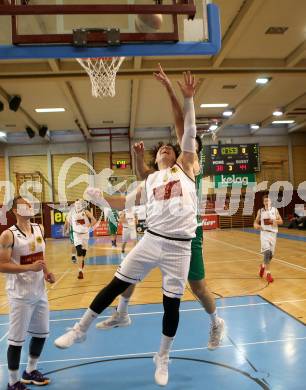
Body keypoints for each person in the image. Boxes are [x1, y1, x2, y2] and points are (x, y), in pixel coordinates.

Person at [54, 71, 198, 387]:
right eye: (162, 151)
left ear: (177, 156)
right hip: (153, 239)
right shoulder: (150, 181)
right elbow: (122, 204)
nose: (167, 151)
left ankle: (162, 356)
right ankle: (80, 330)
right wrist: (98, 196)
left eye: (170, 150)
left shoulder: (186, 168)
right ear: (155, 158)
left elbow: (186, 130)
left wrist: (184, 97)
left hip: (180, 246)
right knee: (116, 283)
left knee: (171, 305)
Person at [97, 64, 225, 351]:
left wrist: (171, 90)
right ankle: (122, 311)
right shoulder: (167, 170)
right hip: (159, 231)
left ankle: (216, 321)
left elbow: (182, 124)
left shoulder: (191, 163)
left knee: (198, 288)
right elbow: (144, 174)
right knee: (132, 270)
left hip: (188, 235)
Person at [0, 196, 55, 390]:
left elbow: (41, 257)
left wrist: (46, 272)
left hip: (39, 291)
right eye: (24, 204)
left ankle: (30, 371)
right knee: (16, 340)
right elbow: (1, 265)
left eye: (30, 204)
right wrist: (29, 268)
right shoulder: (8, 235)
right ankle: (13, 381)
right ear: (15, 210)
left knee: (41, 334)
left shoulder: (40, 228)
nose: (29, 206)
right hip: (19, 296)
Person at [254, 194, 283, 283]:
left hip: (273, 234)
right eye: (265, 201)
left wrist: (275, 221)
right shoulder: (260, 211)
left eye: (268, 201)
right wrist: (257, 226)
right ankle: (268, 273)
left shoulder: (275, 210)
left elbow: (281, 221)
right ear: (263, 202)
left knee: (271, 255)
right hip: (264, 234)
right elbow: (255, 223)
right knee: (267, 253)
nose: (267, 202)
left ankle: (263, 266)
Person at [66, 199, 96, 279]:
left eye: (79, 203)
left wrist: (89, 226)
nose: (78, 205)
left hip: (85, 235)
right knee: (79, 252)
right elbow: (67, 221)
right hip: (76, 234)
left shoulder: (86, 212)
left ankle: (81, 268)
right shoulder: (71, 212)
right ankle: (80, 271)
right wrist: (66, 229)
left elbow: (94, 220)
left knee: (83, 254)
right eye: (76, 203)